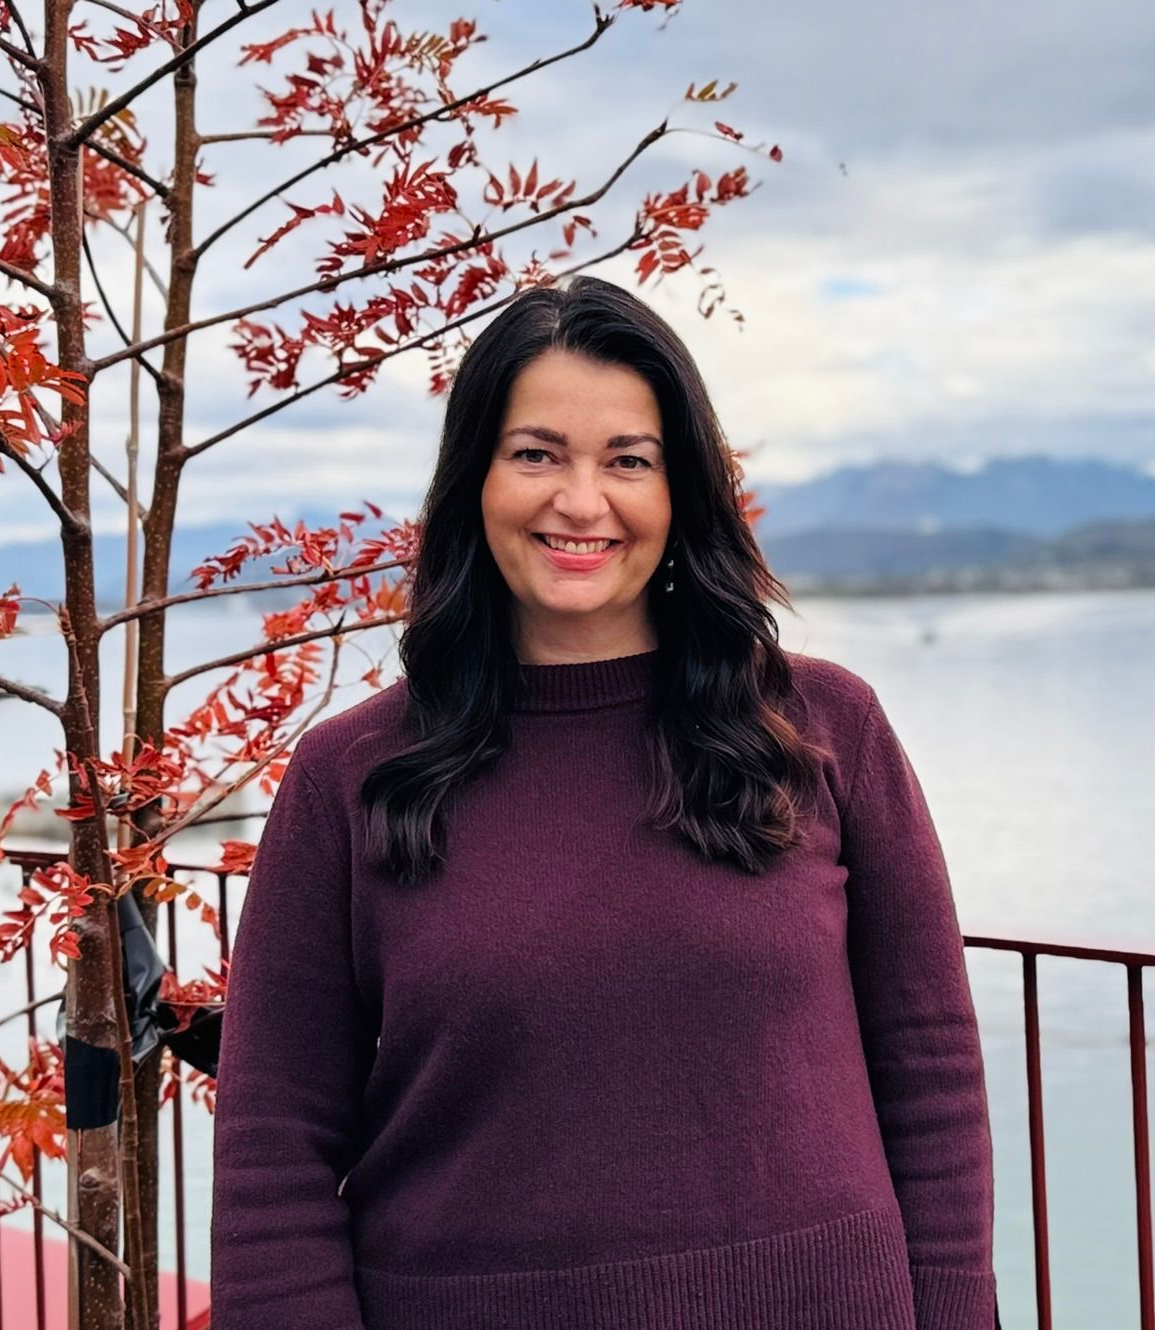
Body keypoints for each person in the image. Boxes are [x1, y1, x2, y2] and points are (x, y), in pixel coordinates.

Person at [208, 274, 1000, 1329]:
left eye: (629, 460)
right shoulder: (350, 776)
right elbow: (274, 1144)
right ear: (475, 479)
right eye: (536, 453)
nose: (581, 502)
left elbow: (932, 1067)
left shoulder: (822, 725)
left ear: (681, 495)